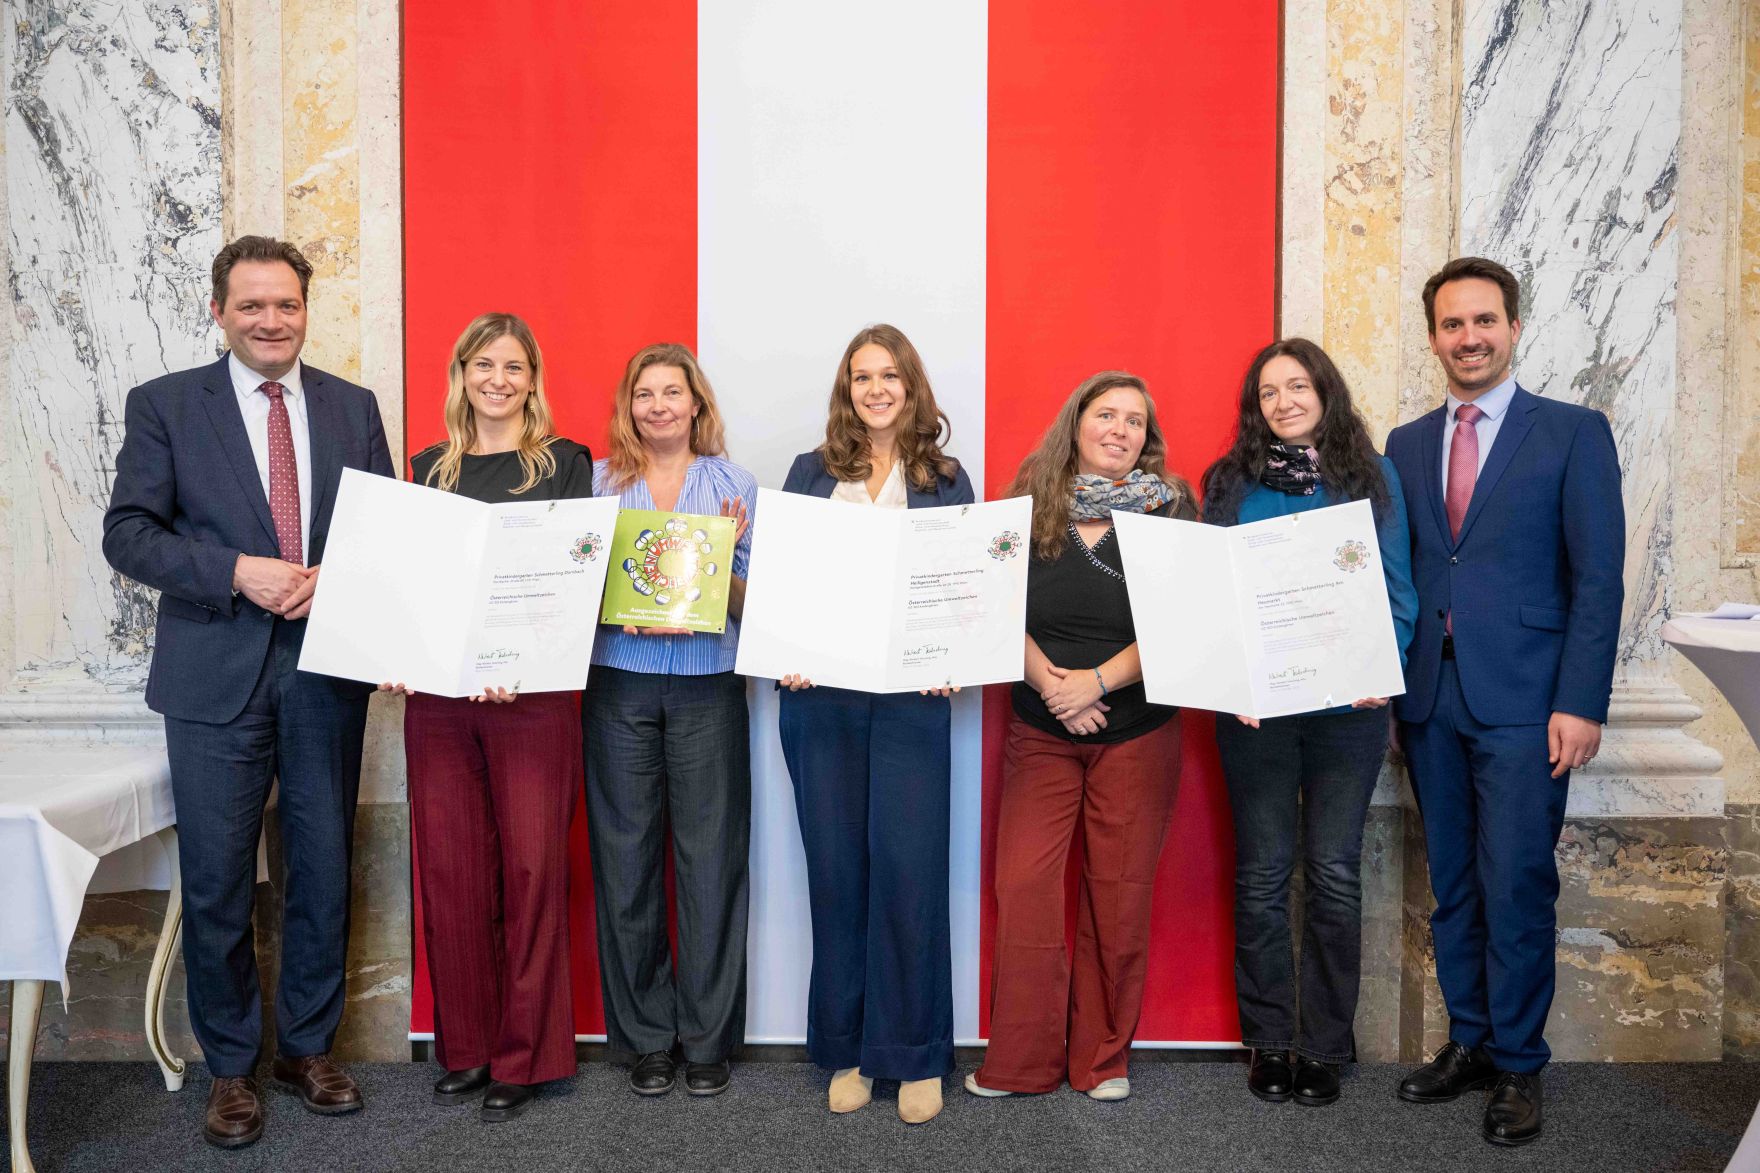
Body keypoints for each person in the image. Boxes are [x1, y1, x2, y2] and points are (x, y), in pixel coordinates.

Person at [101, 236, 394, 1148]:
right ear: (219, 311)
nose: (272, 320)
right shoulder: (165, 405)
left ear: (307, 310)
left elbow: (384, 533)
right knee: (218, 878)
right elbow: (128, 533)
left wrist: (346, 585)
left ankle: (306, 1049)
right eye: (252, 305)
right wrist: (236, 569)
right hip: (211, 674)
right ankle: (230, 1067)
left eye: (287, 304)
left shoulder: (352, 406)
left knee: (322, 868)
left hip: (325, 669)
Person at [1386, 257, 1623, 1146]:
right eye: (1453, 324)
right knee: (1453, 885)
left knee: (1516, 883)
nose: (1470, 337)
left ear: (1514, 328)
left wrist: (1581, 701)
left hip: (1529, 703)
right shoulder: (1406, 443)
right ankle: (1473, 1042)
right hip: (1431, 699)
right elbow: (1401, 570)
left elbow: (1598, 579)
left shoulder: (1572, 432)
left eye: (1484, 320)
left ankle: (1520, 1061)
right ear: (1434, 337)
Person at [378, 313, 593, 1122]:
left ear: (533, 379)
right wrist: (395, 649)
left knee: (534, 870)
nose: (497, 379)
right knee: (453, 869)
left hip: (532, 700)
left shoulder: (565, 464)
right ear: (461, 372)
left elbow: (571, 585)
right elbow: (407, 584)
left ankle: (525, 1057)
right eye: (483, 364)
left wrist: (518, 662)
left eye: (513, 366)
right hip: (439, 700)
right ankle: (466, 1046)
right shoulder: (425, 470)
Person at [1200, 338, 1417, 1107]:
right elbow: (1213, 596)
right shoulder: (1229, 481)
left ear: (1325, 392)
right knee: (1262, 876)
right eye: (1268, 392)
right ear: (1254, 407)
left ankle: (1324, 1045)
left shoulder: (1370, 475)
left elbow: (1397, 586)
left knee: (1333, 872)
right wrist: (1228, 677)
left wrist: (1382, 666)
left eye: (1297, 386)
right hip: (1256, 714)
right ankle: (1268, 1040)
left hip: (1345, 714)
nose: (1284, 401)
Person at [969, 371, 1194, 1103]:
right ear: (1077, 422)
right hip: (1043, 725)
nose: (1119, 430)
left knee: (1118, 897)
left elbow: (1185, 620)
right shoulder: (1026, 504)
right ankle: (1021, 1063)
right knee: (1024, 886)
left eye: (1134, 420)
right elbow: (995, 605)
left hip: (1137, 730)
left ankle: (1100, 1062)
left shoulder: (1173, 509)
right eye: (1106, 414)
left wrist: (1096, 682)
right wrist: (1055, 688)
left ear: (1147, 438)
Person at [777, 324, 973, 1126]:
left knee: (909, 871)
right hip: (820, 699)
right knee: (836, 874)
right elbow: (785, 576)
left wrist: (954, 652)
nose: (877, 389)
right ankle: (850, 1049)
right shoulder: (808, 471)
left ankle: (916, 1053)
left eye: (890, 375)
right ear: (846, 389)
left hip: (909, 700)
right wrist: (786, 650)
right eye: (863, 376)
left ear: (911, 385)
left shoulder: (946, 478)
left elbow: (963, 586)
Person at [585, 343, 756, 1098]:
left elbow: (756, 603)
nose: (658, 405)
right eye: (644, 393)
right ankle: (647, 1039)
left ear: (696, 404)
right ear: (629, 406)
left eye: (671, 392)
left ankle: (709, 1039)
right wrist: (611, 604)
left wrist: (727, 564)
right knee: (625, 862)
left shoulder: (734, 485)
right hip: (618, 684)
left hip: (706, 687)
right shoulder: (596, 483)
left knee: (711, 861)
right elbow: (571, 587)